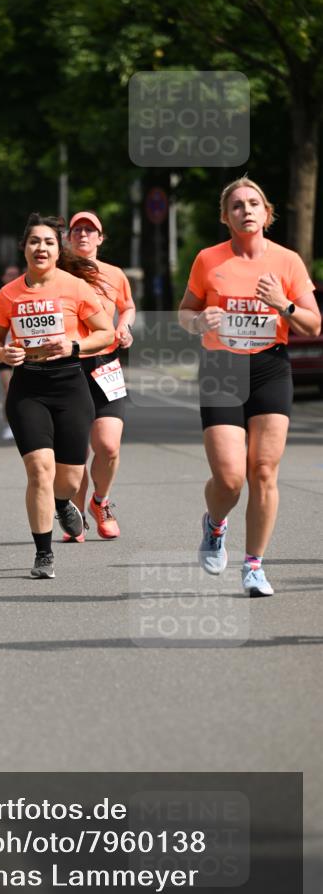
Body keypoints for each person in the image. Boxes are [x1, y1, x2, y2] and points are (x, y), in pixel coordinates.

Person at [178, 177, 321, 597]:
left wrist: (284, 304)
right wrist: (198, 321)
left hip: (269, 367)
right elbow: (186, 311)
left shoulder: (288, 261)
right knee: (229, 478)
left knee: (263, 470)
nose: (246, 210)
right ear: (225, 217)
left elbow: (312, 323)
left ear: (267, 213)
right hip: (222, 366)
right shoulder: (208, 260)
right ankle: (215, 524)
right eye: (237, 205)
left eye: (254, 203)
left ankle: (255, 565)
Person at [0, 213, 115, 578]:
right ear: (24, 248)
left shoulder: (75, 288)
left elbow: (106, 334)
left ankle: (63, 503)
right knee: (39, 470)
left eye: (48, 242)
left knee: (70, 480)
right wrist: (2, 353)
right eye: (34, 242)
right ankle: (43, 553)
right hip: (29, 388)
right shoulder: (8, 294)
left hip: (71, 386)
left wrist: (75, 345)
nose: (40, 248)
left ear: (59, 250)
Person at [67, 211, 136, 540]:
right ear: (68, 238)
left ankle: (100, 501)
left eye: (89, 230)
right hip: (68, 366)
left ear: (100, 238)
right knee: (76, 450)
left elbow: (129, 306)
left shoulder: (114, 274)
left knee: (108, 446)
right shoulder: (58, 275)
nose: (83, 234)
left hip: (106, 365)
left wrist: (124, 326)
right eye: (77, 230)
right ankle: (76, 515)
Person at [0, 264, 22, 440]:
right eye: (9, 274)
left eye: (15, 274)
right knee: (8, 388)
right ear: (3, 278)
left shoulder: (26, 294)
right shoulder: (1, 296)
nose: (12, 277)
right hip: (5, 350)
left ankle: (23, 422)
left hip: (26, 351)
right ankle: (8, 424)